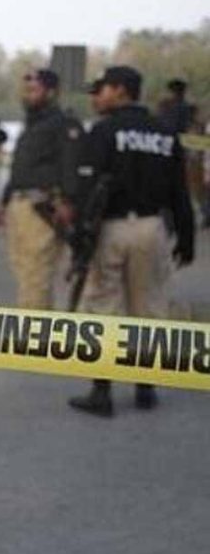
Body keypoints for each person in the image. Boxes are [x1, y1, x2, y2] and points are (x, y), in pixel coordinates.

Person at [68, 66, 195, 417]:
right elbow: (179, 191)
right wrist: (186, 238)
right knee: (149, 306)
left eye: (104, 88)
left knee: (103, 307)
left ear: (121, 90)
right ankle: (145, 387)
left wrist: (79, 237)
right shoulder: (165, 133)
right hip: (153, 228)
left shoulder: (104, 130)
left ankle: (102, 391)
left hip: (110, 228)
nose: (99, 95)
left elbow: (87, 187)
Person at [0, 68, 83, 309]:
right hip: (19, 206)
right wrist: (3, 203)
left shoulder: (63, 124)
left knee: (36, 278)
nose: (27, 95)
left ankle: (31, 330)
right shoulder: (32, 126)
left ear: (51, 93)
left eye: (33, 90)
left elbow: (70, 165)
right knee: (26, 275)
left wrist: (67, 201)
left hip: (42, 207)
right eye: (26, 90)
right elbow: (20, 168)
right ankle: (40, 324)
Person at [157, 78, 207, 229]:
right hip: (184, 150)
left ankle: (168, 220)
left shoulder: (164, 106)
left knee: (167, 186)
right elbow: (196, 128)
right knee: (187, 187)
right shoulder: (189, 108)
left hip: (165, 149)